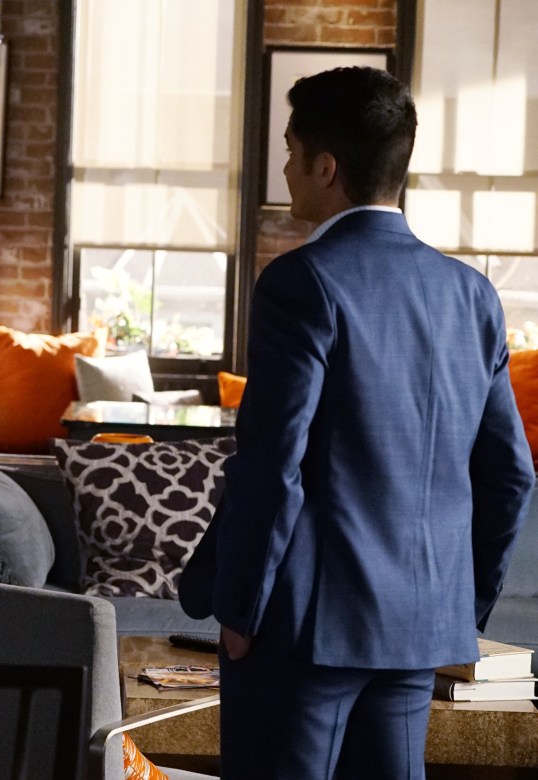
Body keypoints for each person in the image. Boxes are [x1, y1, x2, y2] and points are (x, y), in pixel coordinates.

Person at [182, 67, 534, 779]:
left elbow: (272, 465)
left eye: (290, 152)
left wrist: (241, 611)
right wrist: (457, 610)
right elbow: (511, 475)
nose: (286, 170)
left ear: (326, 166)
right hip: (419, 631)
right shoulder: (473, 295)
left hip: (303, 632)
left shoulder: (300, 282)